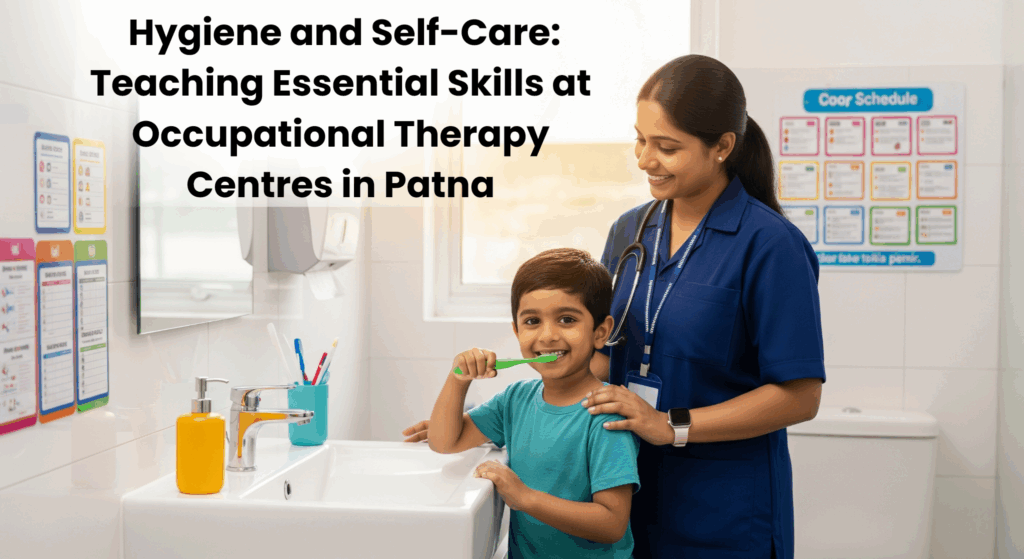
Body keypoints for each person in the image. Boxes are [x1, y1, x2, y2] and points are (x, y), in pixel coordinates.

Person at [406, 54, 824, 559]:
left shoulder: (770, 245)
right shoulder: (631, 231)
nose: (645, 159)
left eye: (667, 147)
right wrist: (512, 418)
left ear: (722, 147)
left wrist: (670, 426)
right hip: (620, 491)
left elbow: (799, 396)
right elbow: (606, 352)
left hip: (722, 508)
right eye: (641, 140)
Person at [425, 248, 640, 559]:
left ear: (600, 332)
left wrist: (524, 498)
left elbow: (612, 524)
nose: (548, 335)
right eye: (532, 321)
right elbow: (445, 442)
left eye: (567, 319)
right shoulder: (516, 399)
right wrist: (458, 379)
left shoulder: (605, 414)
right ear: (516, 330)